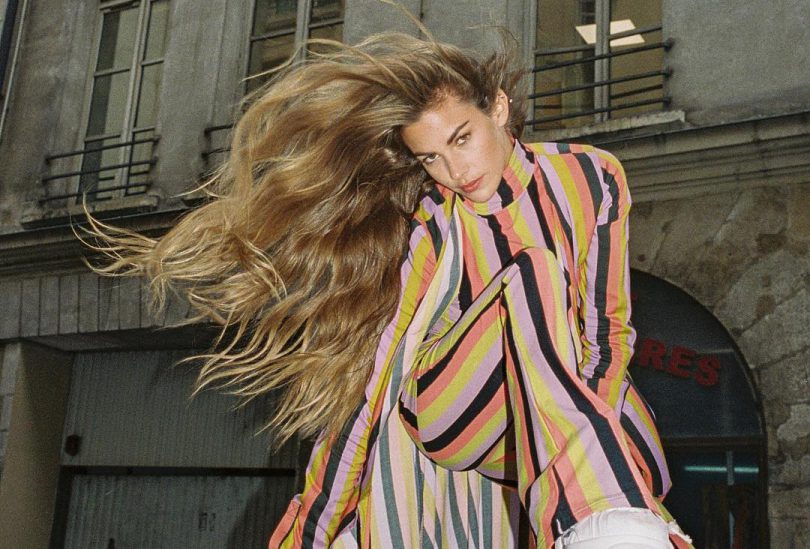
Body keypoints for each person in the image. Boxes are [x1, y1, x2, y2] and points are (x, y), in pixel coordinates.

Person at [84, 30, 691, 549]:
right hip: (451, 408)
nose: (454, 171)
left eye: (461, 138)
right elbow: (379, 380)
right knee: (534, 275)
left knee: (582, 356)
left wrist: (601, 432)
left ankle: (604, 500)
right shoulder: (435, 225)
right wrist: (311, 528)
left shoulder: (592, 177)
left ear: (500, 109)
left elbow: (607, 332)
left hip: (540, 418)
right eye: (430, 159)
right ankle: (607, 522)